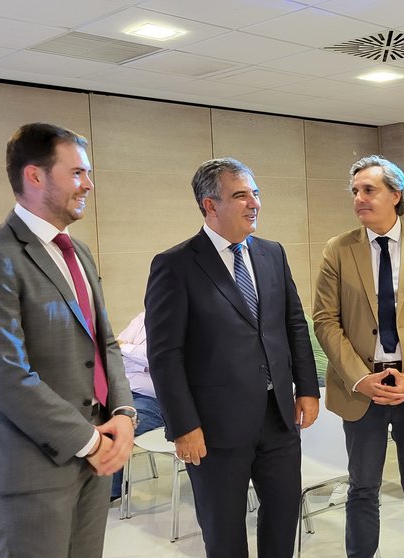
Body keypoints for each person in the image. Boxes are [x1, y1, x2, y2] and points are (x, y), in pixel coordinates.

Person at [0, 123, 135, 557]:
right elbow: (5, 375)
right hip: (31, 468)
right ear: (34, 176)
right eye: (76, 173)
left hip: (95, 463)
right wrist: (90, 442)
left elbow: (104, 344)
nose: (88, 184)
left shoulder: (80, 252)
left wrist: (124, 414)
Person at [144, 157, 320, 557]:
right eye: (240, 195)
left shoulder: (272, 253)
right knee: (224, 534)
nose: (253, 203)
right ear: (210, 205)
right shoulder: (175, 265)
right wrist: (183, 426)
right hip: (214, 429)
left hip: (278, 419)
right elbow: (165, 355)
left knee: (281, 522)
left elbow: (294, 324)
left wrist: (307, 388)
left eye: (255, 193)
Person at [313, 155, 404, 558]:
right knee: (362, 488)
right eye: (355, 191)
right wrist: (359, 378)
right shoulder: (338, 250)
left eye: (369, 190)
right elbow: (325, 320)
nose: (359, 198)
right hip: (362, 388)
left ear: (396, 195)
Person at [109, 311, 167, 501]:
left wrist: (127, 350)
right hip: (123, 392)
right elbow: (114, 350)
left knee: (115, 429)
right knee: (88, 419)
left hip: (154, 401)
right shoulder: (142, 317)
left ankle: (111, 492)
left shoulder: (183, 320)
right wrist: (136, 358)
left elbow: (157, 359)